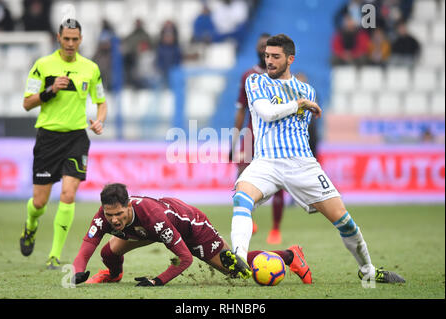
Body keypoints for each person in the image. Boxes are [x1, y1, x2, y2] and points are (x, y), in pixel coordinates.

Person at [230, 33, 405, 284]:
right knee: (241, 198)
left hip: (302, 164)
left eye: (275, 57)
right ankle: (239, 260)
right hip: (266, 162)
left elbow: (301, 130)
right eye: (267, 56)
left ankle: (368, 271)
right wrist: (298, 105)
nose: (269, 61)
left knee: (345, 221)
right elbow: (266, 114)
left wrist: (300, 103)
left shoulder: (307, 89)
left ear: (290, 59)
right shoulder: (255, 81)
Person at [71, 183, 311, 286]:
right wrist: (77, 270)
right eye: (110, 214)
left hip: (190, 226)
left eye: (119, 214)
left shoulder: (152, 216)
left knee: (235, 270)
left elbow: (184, 259)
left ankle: (290, 255)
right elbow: (87, 245)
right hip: (148, 229)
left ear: (129, 206)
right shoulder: (107, 215)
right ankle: (113, 276)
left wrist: (158, 281)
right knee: (107, 252)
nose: (114, 220)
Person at [19, 19, 108, 270]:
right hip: (48, 137)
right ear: (58, 38)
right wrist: (49, 90)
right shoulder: (43, 65)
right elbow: (27, 103)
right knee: (39, 203)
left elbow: (101, 101)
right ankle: (31, 227)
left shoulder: (90, 68)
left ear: (81, 40)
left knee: (68, 195)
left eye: (74, 39)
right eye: (66, 39)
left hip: (76, 138)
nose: (70, 43)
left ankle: (53, 256)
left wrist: (100, 121)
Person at [229, 33, 285, 245]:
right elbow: (241, 110)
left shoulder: (283, 77)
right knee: (242, 176)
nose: (265, 52)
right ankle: (247, 219)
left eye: (268, 49)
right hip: (252, 136)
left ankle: (276, 228)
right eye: (262, 48)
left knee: (279, 182)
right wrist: (234, 141)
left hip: (276, 139)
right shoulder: (249, 76)